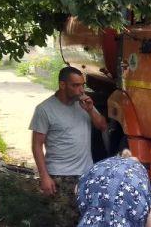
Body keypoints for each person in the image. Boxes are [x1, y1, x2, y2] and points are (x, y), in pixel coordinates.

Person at [30, 66, 107, 198]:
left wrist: (90, 110)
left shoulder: (83, 103)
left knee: (85, 217)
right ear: (62, 85)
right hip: (60, 176)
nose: (81, 90)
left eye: (82, 85)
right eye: (76, 85)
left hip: (86, 173)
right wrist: (44, 177)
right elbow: (37, 145)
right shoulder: (44, 109)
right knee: (61, 218)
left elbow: (103, 126)